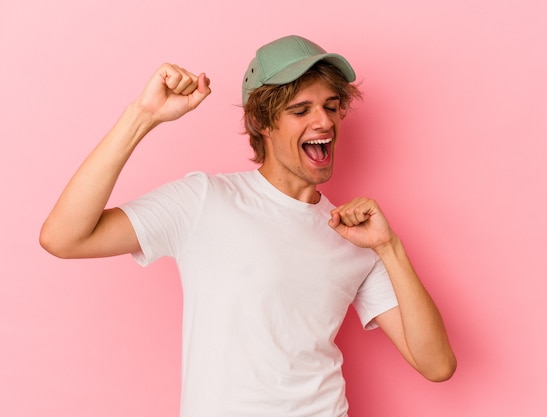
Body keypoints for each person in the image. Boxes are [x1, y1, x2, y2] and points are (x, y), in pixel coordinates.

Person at [40, 35, 456, 417]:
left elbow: (436, 365)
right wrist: (143, 116)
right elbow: (63, 238)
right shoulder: (204, 200)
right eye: (301, 109)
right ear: (262, 121)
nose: (325, 122)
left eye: (331, 106)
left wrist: (389, 247)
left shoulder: (356, 235)